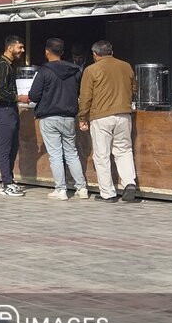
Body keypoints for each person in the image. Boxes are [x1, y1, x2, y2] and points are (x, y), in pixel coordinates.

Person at [27, 38, 89, 200]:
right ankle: (82, 188)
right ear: (62, 52)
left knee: (55, 154)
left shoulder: (44, 71)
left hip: (49, 117)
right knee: (72, 153)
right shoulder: (75, 71)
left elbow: (33, 95)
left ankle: (61, 189)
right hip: (69, 117)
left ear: (47, 52)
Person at [78, 40, 139, 203]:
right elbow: (134, 89)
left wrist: (82, 117)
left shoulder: (91, 70)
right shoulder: (126, 66)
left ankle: (108, 193)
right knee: (124, 150)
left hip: (101, 116)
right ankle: (130, 183)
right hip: (124, 114)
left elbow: (85, 97)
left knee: (101, 155)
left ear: (95, 54)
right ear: (111, 52)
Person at [0, 35, 26, 196]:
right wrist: (18, 97)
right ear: (10, 48)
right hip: (4, 110)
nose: (22, 50)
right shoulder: (3, 66)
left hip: (10, 110)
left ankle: (9, 180)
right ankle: (6, 183)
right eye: (20, 47)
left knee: (12, 147)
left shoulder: (9, 65)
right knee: (6, 148)